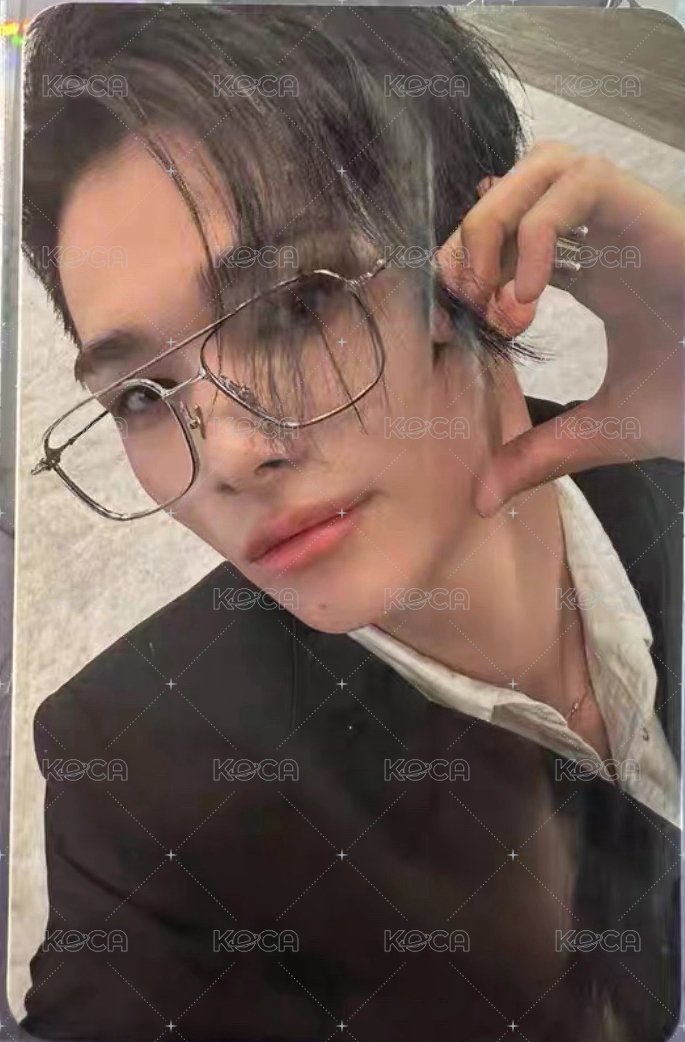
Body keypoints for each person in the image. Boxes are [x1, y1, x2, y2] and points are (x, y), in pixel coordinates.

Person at [19, 5, 683, 1041]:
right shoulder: (148, 781)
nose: (228, 453)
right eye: (142, 395)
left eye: (295, 305)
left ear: (484, 248)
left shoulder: (665, 484)